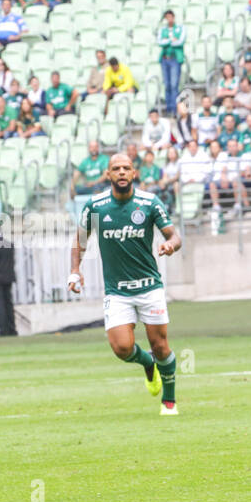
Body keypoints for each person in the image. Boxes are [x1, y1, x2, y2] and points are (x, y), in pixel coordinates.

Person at [68, 152, 183, 415]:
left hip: (149, 287)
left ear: (134, 173)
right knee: (121, 348)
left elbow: (174, 236)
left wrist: (170, 245)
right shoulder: (95, 206)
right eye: (116, 168)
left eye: (126, 168)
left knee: (160, 346)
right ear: (108, 174)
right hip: (117, 291)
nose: (121, 172)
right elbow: (79, 241)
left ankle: (169, 400)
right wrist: (75, 270)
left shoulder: (149, 202)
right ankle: (147, 364)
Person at [157, 10, 185, 118]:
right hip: (165, 59)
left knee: (174, 85)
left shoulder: (180, 28)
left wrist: (167, 40)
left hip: (174, 59)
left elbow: (180, 42)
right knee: (167, 85)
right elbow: (160, 42)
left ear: (173, 17)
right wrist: (171, 40)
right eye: (167, 17)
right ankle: (168, 108)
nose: (169, 19)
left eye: (170, 17)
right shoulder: (162, 30)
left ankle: (174, 109)